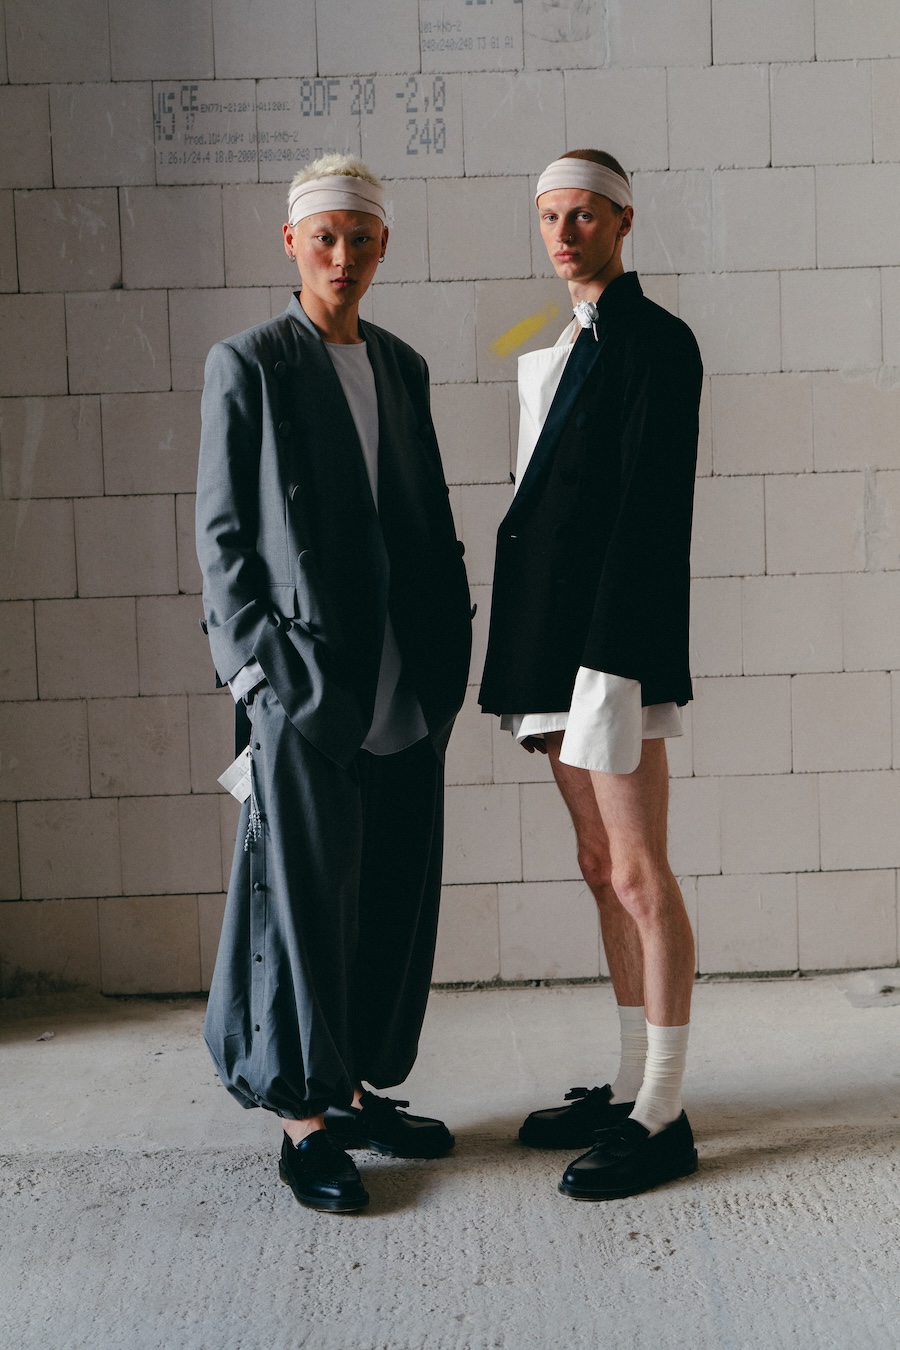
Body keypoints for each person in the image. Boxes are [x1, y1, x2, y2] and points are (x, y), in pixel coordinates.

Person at [196, 154, 472, 1214]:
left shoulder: (401, 366)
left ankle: (352, 1088)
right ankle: (301, 1119)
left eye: (359, 238)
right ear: (292, 243)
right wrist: (257, 670)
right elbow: (224, 538)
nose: (342, 256)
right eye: (324, 237)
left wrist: (449, 650)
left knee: (390, 885)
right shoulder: (250, 363)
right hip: (304, 677)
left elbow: (426, 514)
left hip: (403, 674)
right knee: (301, 899)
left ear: (382, 244)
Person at [479, 149, 703, 1201]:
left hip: (609, 650)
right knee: (597, 863)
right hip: (550, 648)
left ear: (623, 220)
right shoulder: (566, 339)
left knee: (639, 874)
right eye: (550, 218)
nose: (564, 235)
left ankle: (663, 1111)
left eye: (583, 216)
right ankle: (625, 1082)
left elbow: (651, 514)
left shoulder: (657, 341)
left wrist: (612, 666)